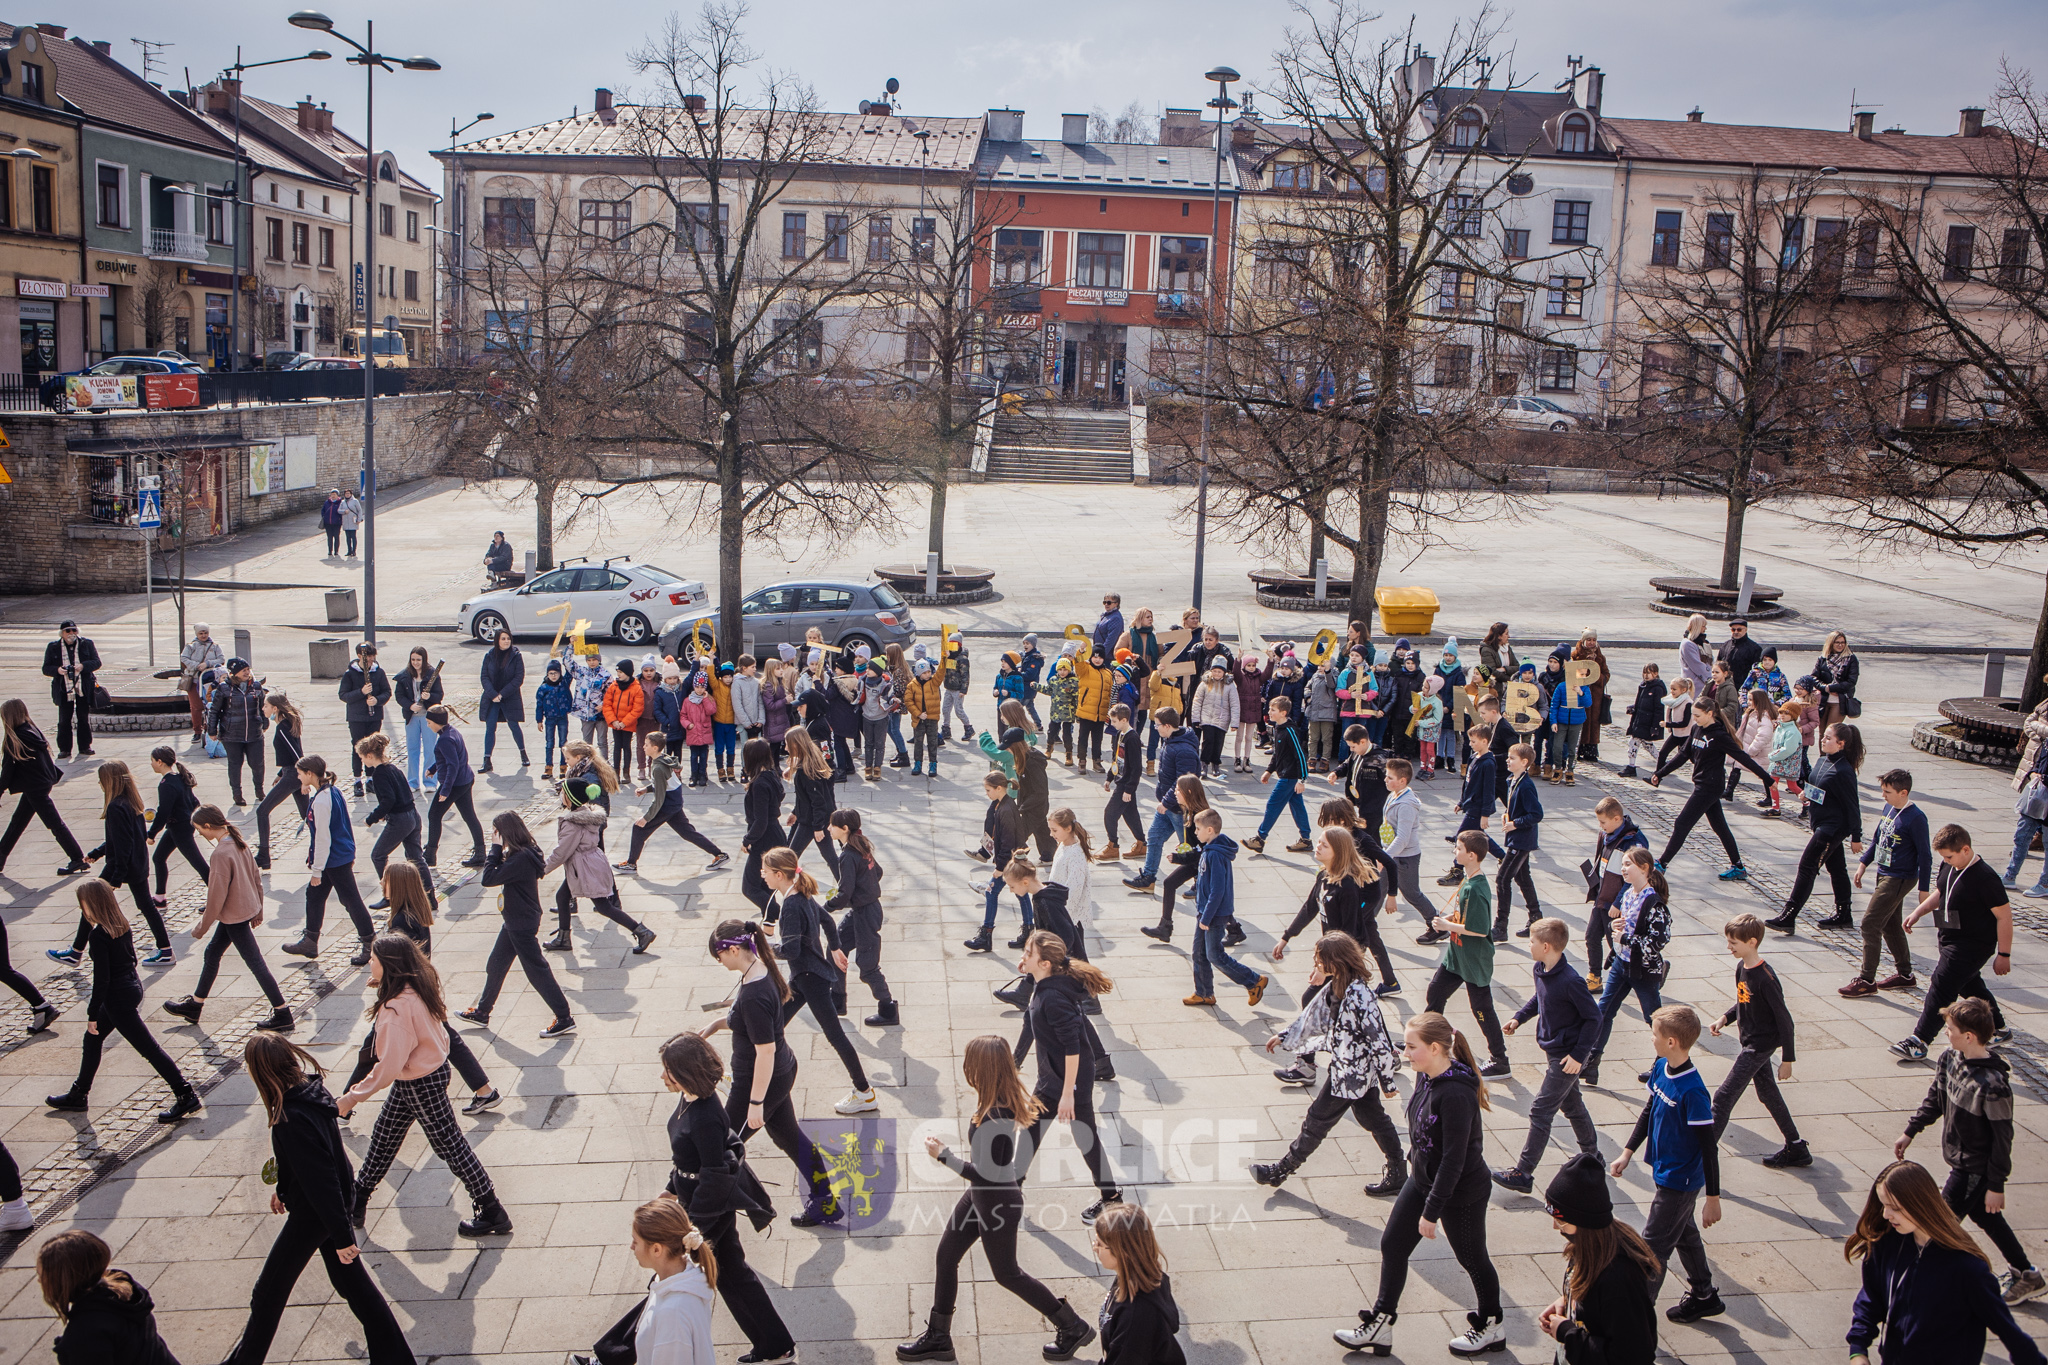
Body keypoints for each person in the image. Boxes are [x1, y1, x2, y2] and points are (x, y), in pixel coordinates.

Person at [223, 1033, 415, 1365]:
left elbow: (321, 1178)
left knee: (268, 1294)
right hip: (331, 1207)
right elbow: (317, 1163)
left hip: (316, 1216)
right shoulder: (312, 1093)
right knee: (355, 1289)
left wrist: (342, 1237)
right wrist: (284, 1189)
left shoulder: (289, 1118)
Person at [898, 1035, 1090, 1362]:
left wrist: (942, 1156)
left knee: (1007, 1274)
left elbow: (985, 1174)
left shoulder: (994, 1115)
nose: (966, 1068)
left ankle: (1072, 1326)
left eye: (970, 1063)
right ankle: (939, 1338)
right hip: (982, 1197)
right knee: (946, 1257)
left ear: (981, 1069)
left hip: (998, 1201)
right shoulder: (995, 1100)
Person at [1332, 1011, 1504, 1357]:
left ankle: (1491, 1325)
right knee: (1393, 1245)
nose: (1405, 1053)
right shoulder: (1427, 1076)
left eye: (1412, 1047)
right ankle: (1381, 1324)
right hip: (1424, 1179)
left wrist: (1431, 1212)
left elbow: (1454, 1161)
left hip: (1461, 1192)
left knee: (1471, 1257)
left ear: (1437, 1048)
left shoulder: (1455, 1095)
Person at [341, 935, 512, 1237]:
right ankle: (357, 1199)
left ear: (389, 965)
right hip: (424, 1076)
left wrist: (351, 1098)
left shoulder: (396, 1010)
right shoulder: (415, 990)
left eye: (374, 958)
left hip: (420, 1083)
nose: (370, 961)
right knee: (384, 1137)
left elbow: (388, 1067)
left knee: (451, 1147)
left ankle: (491, 1209)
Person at [650, 1031, 792, 1365]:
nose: (662, 1076)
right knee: (732, 1275)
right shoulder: (689, 1099)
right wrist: (671, 1188)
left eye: (668, 1071)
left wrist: (693, 1227)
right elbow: (688, 1160)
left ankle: (612, 1354)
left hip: (705, 1211)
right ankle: (776, 1345)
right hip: (695, 1204)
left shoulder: (705, 1117)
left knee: (666, 1280)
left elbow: (713, 1174)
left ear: (686, 1073)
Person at [1894, 995, 2044, 1304]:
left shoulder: (1992, 1084)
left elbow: (2003, 1138)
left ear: (1969, 1036)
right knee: (1986, 1219)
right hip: (1959, 1159)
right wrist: (1911, 1130)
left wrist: (1996, 1185)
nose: (1945, 1032)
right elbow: (1936, 1098)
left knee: (1937, 1226)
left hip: (1974, 1168)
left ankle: (1919, 1288)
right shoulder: (1950, 1059)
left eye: (1949, 1028)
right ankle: (2027, 1275)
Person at [699, 918, 840, 1227]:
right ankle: (825, 1202)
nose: (719, 963)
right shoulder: (760, 970)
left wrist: (756, 1103)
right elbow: (744, 1021)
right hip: (779, 1073)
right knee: (791, 1139)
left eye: (719, 956)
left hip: (759, 1082)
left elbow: (765, 1051)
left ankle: (712, 1216)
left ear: (733, 950)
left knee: (722, 1148)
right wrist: (712, 1026)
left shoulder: (753, 995)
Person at [1845, 1159, 2046, 1365]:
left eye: (1894, 1207)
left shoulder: (1967, 1269)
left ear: (1920, 1204)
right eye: (1884, 1205)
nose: (1886, 1214)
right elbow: (1871, 1298)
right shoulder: (1887, 1243)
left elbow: (2009, 1332)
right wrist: (1858, 1350)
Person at [1252, 931, 1405, 1195]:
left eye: (1319, 959)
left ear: (1336, 961)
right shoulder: (1337, 986)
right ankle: (1399, 1171)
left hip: (1351, 1075)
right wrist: (1284, 1036)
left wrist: (1388, 1081)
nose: (1316, 963)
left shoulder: (1360, 995)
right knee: (1374, 1119)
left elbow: (1379, 1039)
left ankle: (1280, 1171)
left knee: (1316, 1121)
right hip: (1346, 1068)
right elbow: (1312, 1017)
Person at [44, 880, 201, 1123]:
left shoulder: (98, 936)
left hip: (117, 998)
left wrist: (92, 1014)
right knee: (92, 1039)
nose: (81, 910)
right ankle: (79, 1094)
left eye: (83, 905)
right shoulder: (121, 924)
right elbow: (133, 960)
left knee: (149, 1049)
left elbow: (102, 980)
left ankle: (185, 1093)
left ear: (92, 905)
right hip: (131, 988)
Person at [1610, 1005, 1724, 1324]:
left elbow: (1708, 1148)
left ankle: (1636, 1320)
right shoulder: (1661, 1067)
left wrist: (1712, 1199)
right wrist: (1628, 1151)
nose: (1651, 1038)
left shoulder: (1694, 1092)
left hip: (1680, 1180)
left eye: (1655, 1034)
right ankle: (1704, 1294)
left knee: (1652, 1250)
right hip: (1663, 1169)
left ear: (1671, 1041)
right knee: (1684, 1233)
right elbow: (1649, 1110)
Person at [1011, 928, 1122, 1221]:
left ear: (1045, 963)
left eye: (1028, 953)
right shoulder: (1047, 982)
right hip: (1051, 1075)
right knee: (1031, 1129)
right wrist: (1028, 969)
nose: (1023, 956)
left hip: (1068, 1080)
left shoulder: (1054, 998)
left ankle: (1110, 1197)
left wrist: (1067, 1095)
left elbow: (1074, 1048)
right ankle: (1013, 1188)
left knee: (1084, 1136)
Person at [762, 846, 875, 1115]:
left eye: (765, 871)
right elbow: (827, 920)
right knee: (771, 1024)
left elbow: (791, 951)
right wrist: (835, 948)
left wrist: (762, 948)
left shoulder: (790, 905)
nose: (762, 875)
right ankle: (754, 1079)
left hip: (810, 978)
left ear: (779, 874)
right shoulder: (800, 894)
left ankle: (864, 1092)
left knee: (835, 1035)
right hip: (804, 978)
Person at [1493, 917, 1602, 1193]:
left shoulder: (1571, 981)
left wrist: (1579, 1057)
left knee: (1540, 1110)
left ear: (1545, 946)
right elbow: (1539, 998)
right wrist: (1519, 1018)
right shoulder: (1540, 968)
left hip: (1566, 1057)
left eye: (1531, 941)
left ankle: (1524, 1173)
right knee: (1572, 1105)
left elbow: (1594, 1019)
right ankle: (1593, 1157)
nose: (1528, 945)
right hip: (1553, 1048)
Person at [1890, 825, 2013, 1062]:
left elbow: (2004, 917)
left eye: (1949, 856)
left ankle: (1919, 1040)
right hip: (1949, 939)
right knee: (1970, 986)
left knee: (1942, 984)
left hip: (1972, 945)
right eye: (1944, 857)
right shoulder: (1950, 865)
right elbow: (1941, 891)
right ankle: (1998, 1029)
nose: (1946, 861)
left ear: (1965, 849)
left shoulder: (1986, 878)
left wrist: (2004, 954)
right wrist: (1918, 912)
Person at [162, 805, 290, 1032]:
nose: (199, 834)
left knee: (255, 963)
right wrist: (258, 907)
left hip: (234, 916)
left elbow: (215, 897)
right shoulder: (237, 841)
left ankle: (282, 1012)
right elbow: (255, 877)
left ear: (208, 826)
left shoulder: (220, 853)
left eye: (199, 829)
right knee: (212, 953)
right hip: (241, 910)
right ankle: (195, 1005)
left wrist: (201, 927)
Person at [457, 811, 576, 1036]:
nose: (494, 836)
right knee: (496, 964)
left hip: (521, 922)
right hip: (515, 920)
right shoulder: (524, 852)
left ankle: (564, 1017)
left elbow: (488, 879)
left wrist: (494, 850)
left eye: (496, 833)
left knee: (537, 970)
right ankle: (482, 1012)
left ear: (505, 834)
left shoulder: (520, 858)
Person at [1534, 1154, 1661, 1365]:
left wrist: (1567, 1333)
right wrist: (1567, 1301)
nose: (1556, 1227)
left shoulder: (1618, 1279)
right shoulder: (1588, 1248)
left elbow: (1632, 1356)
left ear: (1584, 1221)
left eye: (1561, 1221)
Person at [1708, 914, 1807, 1167]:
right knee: (1767, 1093)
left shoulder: (1766, 979)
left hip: (1758, 1047)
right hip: (1750, 1041)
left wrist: (1787, 1060)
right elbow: (1744, 1000)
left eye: (1733, 943)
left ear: (1751, 942)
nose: (1729, 947)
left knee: (1722, 1097)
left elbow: (1785, 1021)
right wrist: (1725, 1018)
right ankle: (1796, 1147)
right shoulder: (1742, 968)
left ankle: (1702, 1158)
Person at [57, 761, 173, 966]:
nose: (100, 784)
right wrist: (97, 853)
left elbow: (123, 845)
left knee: (91, 902)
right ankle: (165, 950)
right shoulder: (132, 802)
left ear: (109, 781)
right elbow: (121, 839)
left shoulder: (116, 807)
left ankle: (75, 952)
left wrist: (116, 877)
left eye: (102, 780)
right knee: (146, 906)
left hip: (121, 866)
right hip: (137, 863)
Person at [1271, 823, 1397, 1005]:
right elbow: (1310, 907)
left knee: (1313, 1000)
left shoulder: (1347, 887)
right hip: (1332, 953)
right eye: (1319, 842)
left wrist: (1327, 968)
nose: (1318, 847)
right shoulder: (1324, 876)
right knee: (1325, 1004)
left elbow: (1348, 932)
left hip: (1344, 955)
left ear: (1338, 852)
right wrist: (1286, 937)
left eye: (1324, 845)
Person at [1648, 700, 1773, 881]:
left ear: (1710, 713)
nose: (1695, 719)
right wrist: (1660, 773)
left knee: (1682, 823)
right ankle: (1738, 867)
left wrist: (1767, 779)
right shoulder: (1696, 729)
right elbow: (1683, 754)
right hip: (1701, 783)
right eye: (1693, 715)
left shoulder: (1719, 735)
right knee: (1720, 827)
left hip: (1710, 786)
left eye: (1698, 715)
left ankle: (1662, 864)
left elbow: (1742, 757)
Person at [1581, 848, 1672, 1089]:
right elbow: (1626, 928)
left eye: (1628, 864)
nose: (1623, 869)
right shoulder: (1629, 894)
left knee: (1654, 1018)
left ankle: (1666, 1064)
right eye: (1622, 864)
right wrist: (1616, 925)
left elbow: (1658, 942)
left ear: (1644, 868)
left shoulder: (1655, 903)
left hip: (1643, 971)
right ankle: (1592, 1062)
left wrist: (1625, 938)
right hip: (1622, 965)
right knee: (1604, 1011)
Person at [1425, 830, 1512, 1076]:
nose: (1455, 852)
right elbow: (1466, 915)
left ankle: (1500, 1059)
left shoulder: (1476, 887)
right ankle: (1427, 1038)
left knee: (1482, 1010)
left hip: (1474, 959)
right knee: (1436, 992)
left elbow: (1479, 929)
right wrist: (1450, 919)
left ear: (1472, 855)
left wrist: (1447, 926)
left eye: (1459, 849)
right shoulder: (1468, 879)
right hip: (1457, 956)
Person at [1768, 721, 1866, 932]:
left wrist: (1856, 837)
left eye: (1828, 738)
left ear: (1841, 744)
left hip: (1831, 828)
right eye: (1824, 737)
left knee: (1807, 867)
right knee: (1837, 868)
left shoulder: (1844, 771)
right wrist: (1806, 794)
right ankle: (1844, 914)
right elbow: (1821, 788)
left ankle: (1789, 916)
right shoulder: (1823, 760)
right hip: (1820, 822)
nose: (1823, 740)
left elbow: (1852, 806)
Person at [280, 756, 376, 967]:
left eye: (299, 773)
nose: (297, 777)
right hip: (339, 855)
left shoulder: (322, 800)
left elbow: (323, 838)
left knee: (350, 901)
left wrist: (317, 870)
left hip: (334, 859)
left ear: (309, 774)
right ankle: (310, 941)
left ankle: (369, 942)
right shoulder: (330, 790)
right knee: (314, 895)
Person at [1844, 768, 1931, 997]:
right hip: (1884, 872)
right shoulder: (1889, 808)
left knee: (1870, 923)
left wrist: (1924, 889)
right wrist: (1863, 864)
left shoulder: (1916, 818)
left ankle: (1866, 979)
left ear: (1903, 792)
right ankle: (1905, 975)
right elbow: (1877, 840)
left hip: (1900, 877)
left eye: (1887, 792)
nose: (1883, 796)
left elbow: (1925, 855)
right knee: (1891, 924)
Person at [35, 1229, 181, 1365]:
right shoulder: (125, 1292)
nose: (39, 1280)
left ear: (63, 1280)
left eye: (42, 1275)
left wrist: (70, 1350)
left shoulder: (85, 1334)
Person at [545, 778, 656, 955]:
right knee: (562, 896)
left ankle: (641, 931)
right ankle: (563, 938)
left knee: (603, 906)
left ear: (571, 798)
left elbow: (561, 852)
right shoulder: (586, 813)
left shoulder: (573, 823)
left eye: (563, 793)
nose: (560, 795)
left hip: (584, 868)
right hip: (589, 863)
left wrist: (541, 870)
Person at [1183, 810, 1268, 1009]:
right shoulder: (1209, 849)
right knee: (1199, 953)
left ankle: (1253, 981)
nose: (1195, 832)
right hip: (1205, 912)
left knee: (1214, 954)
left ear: (1210, 830)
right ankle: (1204, 993)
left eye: (1198, 829)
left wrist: (1206, 917)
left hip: (1213, 915)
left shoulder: (1215, 854)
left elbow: (1218, 890)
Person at [616, 732, 728, 875]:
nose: (643, 747)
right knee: (688, 833)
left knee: (639, 828)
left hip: (667, 805)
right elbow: (664, 784)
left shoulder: (657, 768)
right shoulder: (664, 759)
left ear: (655, 748)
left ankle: (631, 863)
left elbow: (659, 798)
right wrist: (646, 789)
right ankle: (720, 855)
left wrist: (646, 818)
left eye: (646, 745)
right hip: (674, 802)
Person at [0, 697, 88, 876]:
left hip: (35, 787)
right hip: (42, 782)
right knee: (17, 823)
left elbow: (7, 770)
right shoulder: (32, 729)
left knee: (54, 823)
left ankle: (77, 857)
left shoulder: (15, 737)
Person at [823, 809, 896, 1026]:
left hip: (865, 914)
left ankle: (888, 1009)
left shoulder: (848, 855)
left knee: (867, 966)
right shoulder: (860, 844)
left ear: (844, 829)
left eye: (832, 825)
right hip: (862, 910)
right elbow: (878, 872)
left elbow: (845, 892)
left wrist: (826, 907)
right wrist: (866, 887)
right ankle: (837, 1000)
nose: (829, 829)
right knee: (835, 947)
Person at [1124, 708, 1197, 890]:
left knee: (1190, 848)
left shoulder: (1183, 749)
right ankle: (1148, 878)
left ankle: (1200, 883)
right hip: (1169, 806)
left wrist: (1166, 802)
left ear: (1167, 725)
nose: (1155, 728)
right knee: (1154, 837)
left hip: (1179, 808)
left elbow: (1184, 782)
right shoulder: (1170, 740)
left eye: (1157, 725)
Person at [357, 734, 430, 899]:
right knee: (416, 858)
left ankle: (390, 895)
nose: (363, 762)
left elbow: (388, 800)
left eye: (362, 758)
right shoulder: (393, 768)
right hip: (413, 815)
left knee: (378, 855)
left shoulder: (379, 774)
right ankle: (429, 897)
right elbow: (401, 794)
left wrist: (372, 818)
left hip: (400, 820)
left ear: (369, 755)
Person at [1585, 796, 1648, 984]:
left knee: (1617, 944)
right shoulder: (1606, 835)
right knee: (1591, 937)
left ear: (1617, 819)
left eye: (1603, 822)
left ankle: (1647, 973)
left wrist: (1618, 902)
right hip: (1602, 896)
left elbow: (1633, 879)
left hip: (1615, 902)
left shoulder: (1633, 842)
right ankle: (1594, 976)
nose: (1601, 826)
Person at [1243, 695, 1311, 854]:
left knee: (1273, 804)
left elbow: (1300, 755)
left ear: (1283, 713)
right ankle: (1306, 839)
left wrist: (1302, 779)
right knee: (1297, 807)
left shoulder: (1289, 730)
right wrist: (1269, 770)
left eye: (1273, 710)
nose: (1270, 712)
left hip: (1290, 776)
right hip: (1285, 774)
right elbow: (1278, 754)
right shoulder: (1279, 729)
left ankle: (1260, 838)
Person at [422, 707, 486, 869]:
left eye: (429, 722)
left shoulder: (445, 740)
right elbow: (450, 758)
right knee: (469, 816)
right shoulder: (451, 732)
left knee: (434, 815)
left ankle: (430, 856)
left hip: (455, 784)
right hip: (465, 779)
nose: (428, 725)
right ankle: (480, 853)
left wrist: (445, 790)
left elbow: (452, 765)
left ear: (437, 723)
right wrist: (434, 768)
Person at [252, 692, 309, 868]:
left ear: (275, 708)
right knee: (308, 816)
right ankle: (327, 847)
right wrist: (280, 774)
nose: (263, 709)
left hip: (294, 775)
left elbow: (297, 755)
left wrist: (304, 780)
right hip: (292, 774)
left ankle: (263, 855)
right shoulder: (288, 723)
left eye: (266, 706)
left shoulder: (283, 727)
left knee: (262, 811)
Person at [1494, 742, 1544, 939]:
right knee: (1523, 877)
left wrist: (1515, 823)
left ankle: (1501, 926)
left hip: (1521, 840)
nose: (1508, 760)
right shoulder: (1513, 780)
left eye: (1512, 758)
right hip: (1517, 837)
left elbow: (1536, 814)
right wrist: (1507, 815)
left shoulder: (1526, 786)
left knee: (1502, 879)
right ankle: (1536, 918)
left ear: (1524, 763)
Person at [1379, 757, 1436, 928]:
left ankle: (1436, 923)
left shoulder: (1406, 805)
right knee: (1378, 891)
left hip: (1405, 858)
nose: (1385, 780)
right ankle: (1364, 925)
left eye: (1390, 778)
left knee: (1411, 893)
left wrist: (1384, 857)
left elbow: (1402, 838)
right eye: (1386, 776)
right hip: (1392, 853)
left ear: (1402, 781)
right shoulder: (1393, 795)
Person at [143, 747, 205, 903]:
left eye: (152, 761)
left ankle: (221, 897)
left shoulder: (166, 784)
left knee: (198, 863)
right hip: (180, 825)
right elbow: (194, 801)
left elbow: (163, 812)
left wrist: (151, 834)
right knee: (158, 857)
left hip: (179, 828)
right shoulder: (179, 777)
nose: (151, 764)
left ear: (160, 762)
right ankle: (159, 897)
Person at [208, 657, 268, 806]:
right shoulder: (224, 688)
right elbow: (214, 711)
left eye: (248, 670)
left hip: (254, 733)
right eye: (243, 671)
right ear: (234, 673)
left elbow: (263, 706)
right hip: (231, 734)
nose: (247, 673)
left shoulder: (256, 686)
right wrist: (212, 730)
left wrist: (264, 722)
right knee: (235, 764)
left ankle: (259, 790)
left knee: (257, 763)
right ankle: (237, 794)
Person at [338, 642, 392, 793]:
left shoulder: (378, 672)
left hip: (374, 717)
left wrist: (377, 700)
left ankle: (371, 779)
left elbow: (387, 692)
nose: (370, 661)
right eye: (368, 658)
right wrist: (361, 692)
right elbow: (343, 695)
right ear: (359, 656)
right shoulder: (350, 674)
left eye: (372, 657)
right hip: (356, 717)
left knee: (373, 747)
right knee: (357, 747)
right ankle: (357, 780)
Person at [42, 620, 100, 760]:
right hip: (64, 688)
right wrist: (58, 670)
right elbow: (46, 668)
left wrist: (82, 666)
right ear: (62, 633)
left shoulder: (86, 644)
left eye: (74, 630)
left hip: (82, 686)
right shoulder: (53, 647)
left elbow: (97, 662)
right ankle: (65, 749)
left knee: (83, 718)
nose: (72, 633)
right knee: (64, 719)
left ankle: (85, 746)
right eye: (68, 631)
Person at [478, 630, 529, 772]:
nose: (506, 641)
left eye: (508, 639)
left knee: (513, 725)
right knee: (490, 727)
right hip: (492, 697)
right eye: (503, 639)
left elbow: (518, 678)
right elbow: (484, 677)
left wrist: (502, 694)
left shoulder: (516, 656)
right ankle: (487, 759)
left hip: (509, 696)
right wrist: (493, 694)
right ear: (497, 640)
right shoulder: (489, 655)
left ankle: (523, 753)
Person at [394, 649, 444, 792]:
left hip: (428, 717)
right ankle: (413, 782)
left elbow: (439, 694)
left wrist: (430, 697)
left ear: (424, 660)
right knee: (412, 749)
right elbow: (399, 695)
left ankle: (430, 782)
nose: (415, 663)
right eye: (413, 659)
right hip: (412, 717)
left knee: (430, 749)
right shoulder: (404, 675)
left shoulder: (432, 674)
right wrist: (410, 706)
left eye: (418, 660)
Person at [1101, 703, 1146, 858]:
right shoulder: (1120, 735)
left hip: (1125, 784)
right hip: (1120, 779)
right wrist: (1109, 777)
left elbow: (1136, 768)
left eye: (1114, 721)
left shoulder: (1132, 739)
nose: (1112, 724)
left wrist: (1129, 789)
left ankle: (1113, 846)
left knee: (1110, 813)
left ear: (1124, 720)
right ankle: (1142, 844)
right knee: (1131, 814)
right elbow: (1117, 759)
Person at [177, 622, 224, 744]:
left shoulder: (214, 646)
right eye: (201, 633)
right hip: (194, 680)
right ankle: (197, 731)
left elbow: (221, 659)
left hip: (209, 680)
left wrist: (207, 664)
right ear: (196, 634)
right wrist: (196, 666)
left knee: (211, 704)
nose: (203, 635)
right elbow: (184, 658)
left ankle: (211, 728)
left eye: (205, 633)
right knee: (196, 707)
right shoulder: (191, 646)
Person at [1619, 663, 1666, 779]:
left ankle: (1632, 766)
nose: (1646, 675)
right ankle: (1661, 763)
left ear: (1655, 674)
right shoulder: (1643, 686)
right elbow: (1639, 702)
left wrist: (1655, 726)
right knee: (1642, 744)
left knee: (1640, 743)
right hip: (1639, 720)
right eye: (1644, 672)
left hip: (1648, 722)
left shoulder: (1657, 689)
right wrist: (1633, 708)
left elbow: (1659, 709)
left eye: (1649, 673)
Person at [1814, 629, 1861, 730]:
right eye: (1837, 642)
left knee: (1831, 730)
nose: (1840, 645)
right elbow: (1814, 677)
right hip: (1823, 700)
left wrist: (1833, 688)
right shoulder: (1823, 658)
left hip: (1840, 700)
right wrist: (1825, 688)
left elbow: (1851, 681)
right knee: (1822, 733)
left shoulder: (1851, 659)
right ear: (1831, 643)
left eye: (1843, 643)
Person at [534, 659, 572, 781]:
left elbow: (570, 672)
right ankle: (548, 767)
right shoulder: (543, 688)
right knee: (549, 743)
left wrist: (566, 656)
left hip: (562, 717)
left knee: (563, 743)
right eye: (551, 673)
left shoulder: (564, 683)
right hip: (549, 718)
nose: (553, 676)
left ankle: (563, 767)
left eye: (556, 673)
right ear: (547, 674)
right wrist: (539, 720)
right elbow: (539, 705)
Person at [942, 630, 972, 740]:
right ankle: (946, 729)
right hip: (949, 688)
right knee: (945, 709)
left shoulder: (962, 659)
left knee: (958, 710)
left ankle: (968, 727)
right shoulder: (949, 656)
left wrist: (963, 690)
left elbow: (965, 676)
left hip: (958, 690)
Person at [1717, 616, 1762, 685]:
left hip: (1743, 686)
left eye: (1739, 630)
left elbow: (1757, 671)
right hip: (1725, 685)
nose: (1736, 632)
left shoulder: (1754, 648)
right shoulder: (1725, 645)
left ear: (1746, 630)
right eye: (1733, 630)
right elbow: (1718, 664)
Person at [321, 490, 345, 555]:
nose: (333, 496)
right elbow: (323, 510)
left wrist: (340, 519)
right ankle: (330, 550)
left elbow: (341, 512)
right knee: (329, 537)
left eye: (334, 494)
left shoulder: (341, 503)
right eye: (332, 494)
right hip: (328, 523)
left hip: (337, 523)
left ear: (337, 495)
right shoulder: (327, 502)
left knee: (336, 537)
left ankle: (336, 551)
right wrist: (324, 517)